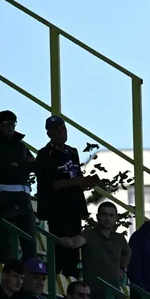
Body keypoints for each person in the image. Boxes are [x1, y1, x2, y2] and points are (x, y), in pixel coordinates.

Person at [35, 116, 99, 277]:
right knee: (60, 251)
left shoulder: (72, 152)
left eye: (63, 128)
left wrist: (84, 182)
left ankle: (71, 282)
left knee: (73, 253)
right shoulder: (44, 154)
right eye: (57, 129)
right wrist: (72, 182)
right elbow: (45, 185)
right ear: (49, 133)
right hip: (57, 210)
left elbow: (75, 177)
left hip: (74, 208)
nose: (62, 132)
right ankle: (57, 282)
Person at [0, 110, 37, 262]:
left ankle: (29, 273)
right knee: (7, 244)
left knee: (30, 243)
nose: (11, 126)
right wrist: (22, 167)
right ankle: (5, 272)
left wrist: (16, 166)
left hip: (24, 197)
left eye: (13, 123)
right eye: (7, 123)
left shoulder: (22, 146)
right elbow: (2, 170)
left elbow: (36, 166)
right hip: (4, 197)